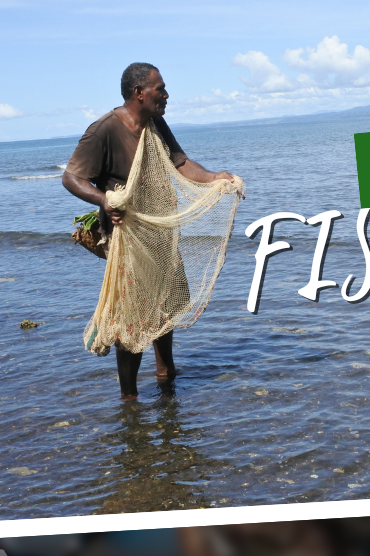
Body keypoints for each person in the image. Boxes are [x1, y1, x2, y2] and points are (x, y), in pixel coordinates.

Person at [63, 62, 239, 401]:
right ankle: (129, 398)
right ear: (138, 93)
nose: (166, 94)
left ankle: (165, 373)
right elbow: (71, 178)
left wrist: (215, 177)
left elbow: (181, 163)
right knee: (132, 316)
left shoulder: (154, 123)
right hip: (127, 236)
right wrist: (105, 200)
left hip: (160, 229)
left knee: (165, 303)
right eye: (160, 89)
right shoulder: (104, 130)